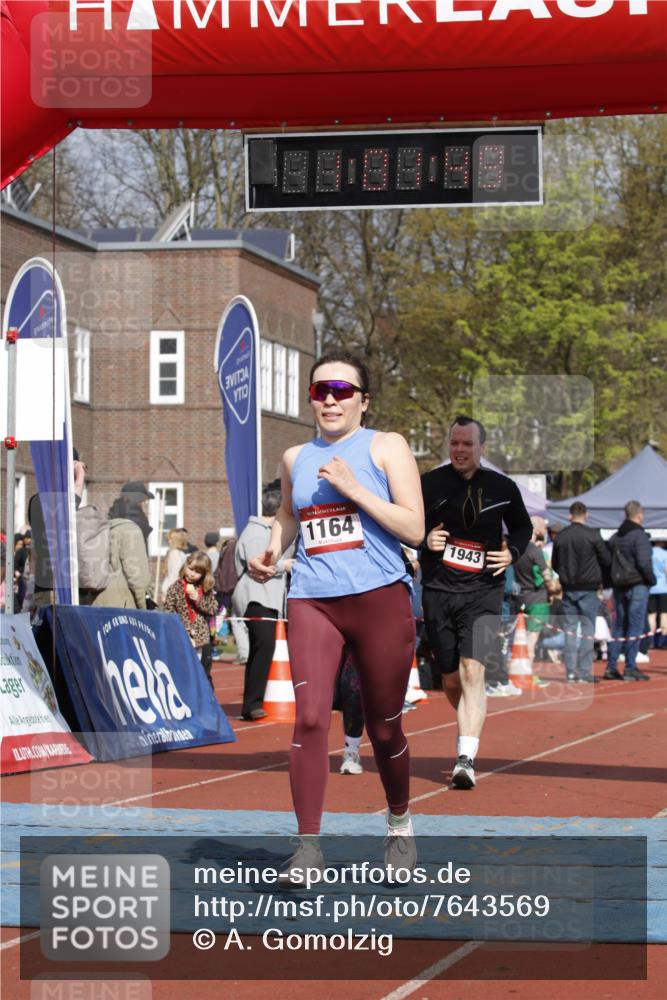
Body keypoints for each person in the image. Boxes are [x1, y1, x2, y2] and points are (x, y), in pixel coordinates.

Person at [249, 352, 423, 879]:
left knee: (383, 726)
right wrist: (272, 552)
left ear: (363, 401)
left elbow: (414, 529)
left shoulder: (385, 446)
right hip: (313, 598)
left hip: (379, 597)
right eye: (320, 389)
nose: (330, 398)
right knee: (308, 717)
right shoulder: (294, 456)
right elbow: (287, 516)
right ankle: (307, 848)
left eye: (343, 391)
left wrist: (353, 488)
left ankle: (398, 823)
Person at [420, 415, 532, 790]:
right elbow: (403, 523)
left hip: (484, 591)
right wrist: (424, 541)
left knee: (473, 672)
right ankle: (471, 717)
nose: (460, 450)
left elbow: (523, 527)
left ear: (481, 448)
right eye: (455, 443)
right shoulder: (429, 484)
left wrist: (512, 552)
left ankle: (465, 758)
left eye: (468, 444)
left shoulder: (502, 487)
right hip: (438, 591)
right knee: (451, 679)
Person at [233, 485, 295, 721]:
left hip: (266, 596)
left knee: (264, 647)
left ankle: (254, 701)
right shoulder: (259, 532)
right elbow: (261, 564)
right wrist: (285, 565)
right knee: (264, 646)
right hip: (257, 595)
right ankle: (252, 703)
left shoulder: (255, 530)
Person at [551, 501, 611, 683]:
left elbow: (555, 562)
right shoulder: (593, 535)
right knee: (587, 630)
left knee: (570, 630)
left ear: (570, 516)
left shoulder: (561, 536)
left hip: (569, 588)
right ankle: (584, 672)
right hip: (588, 588)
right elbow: (606, 559)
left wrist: (564, 575)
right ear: (586, 515)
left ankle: (570, 672)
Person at [28, 448, 86, 608]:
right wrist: (79, 477)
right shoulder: (45, 502)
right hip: (53, 587)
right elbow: (66, 510)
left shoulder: (38, 500)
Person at [606, 501, 656, 680]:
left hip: (619, 585)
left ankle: (611, 666)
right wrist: (651, 580)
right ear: (640, 515)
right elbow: (644, 562)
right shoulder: (639, 536)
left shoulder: (616, 536)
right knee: (635, 626)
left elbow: (607, 559)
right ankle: (630, 667)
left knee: (619, 626)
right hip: (636, 584)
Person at [89, 487, 153, 610]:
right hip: (121, 604)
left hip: (95, 603)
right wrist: (144, 607)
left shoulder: (103, 528)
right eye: (143, 502)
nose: (145, 508)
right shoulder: (130, 529)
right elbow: (138, 577)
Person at [512, 516, 553, 683]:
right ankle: (526, 672)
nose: (544, 532)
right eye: (543, 528)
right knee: (532, 638)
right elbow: (546, 574)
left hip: (521, 596)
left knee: (520, 636)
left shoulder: (517, 549)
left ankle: (521, 670)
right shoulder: (535, 551)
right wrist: (552, 589)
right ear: (536, 531)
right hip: (537, 599)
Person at [164, 550, 219, 669]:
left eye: (198, 572)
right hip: (181, 635)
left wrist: (199, 600)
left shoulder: (205, 589)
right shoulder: (175, 588)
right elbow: (168, 612)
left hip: (201, 637)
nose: (192, 574)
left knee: (202, 671)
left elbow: (213, 609)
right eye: (190, 569)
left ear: (204, 574)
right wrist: (181, 626)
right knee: (183, 669)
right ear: (185, 566)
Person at [160, 528, 189, 601]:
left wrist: (167, 591)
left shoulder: (175, 554)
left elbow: (174, 575)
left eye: (170, 539)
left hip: (172, 591)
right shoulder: (180, 554)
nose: (168, 541)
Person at [649, 541, 667, 649]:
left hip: (651, 588)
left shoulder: (649, 552)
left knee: (651, 615)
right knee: (664, 615)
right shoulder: (664, 553)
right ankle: (663, 640)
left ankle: (650, 641)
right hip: (664, 588)